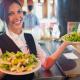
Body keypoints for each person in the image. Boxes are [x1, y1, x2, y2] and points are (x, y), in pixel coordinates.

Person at [0, 0, 76, 80]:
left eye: (19, 11)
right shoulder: (1, 41)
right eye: (11, 13)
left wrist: (65, 43)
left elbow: (46, 64)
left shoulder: (30, 37)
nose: (17, 16)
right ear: (4, 17)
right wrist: (10, 64)